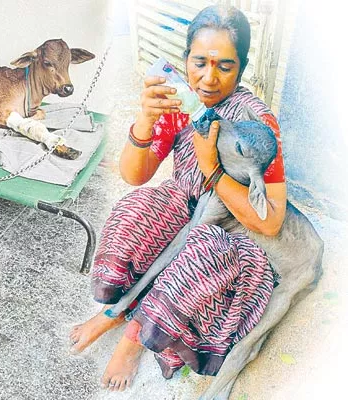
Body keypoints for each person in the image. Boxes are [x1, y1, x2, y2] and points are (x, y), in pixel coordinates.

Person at [68, 5, 287, 391]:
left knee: (197, 253)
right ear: (185, 58)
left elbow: (270, 221)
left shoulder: (255, 124)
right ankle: (118, 309)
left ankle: (134, 334)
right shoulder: (179, 103)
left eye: (225, 66)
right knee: (135, 211)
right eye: (199, 62)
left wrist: (212, 168)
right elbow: (135, 175)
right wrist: (145, 120)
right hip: (189, 205)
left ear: (242, 67)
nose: (208, 78)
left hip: (234, 232)